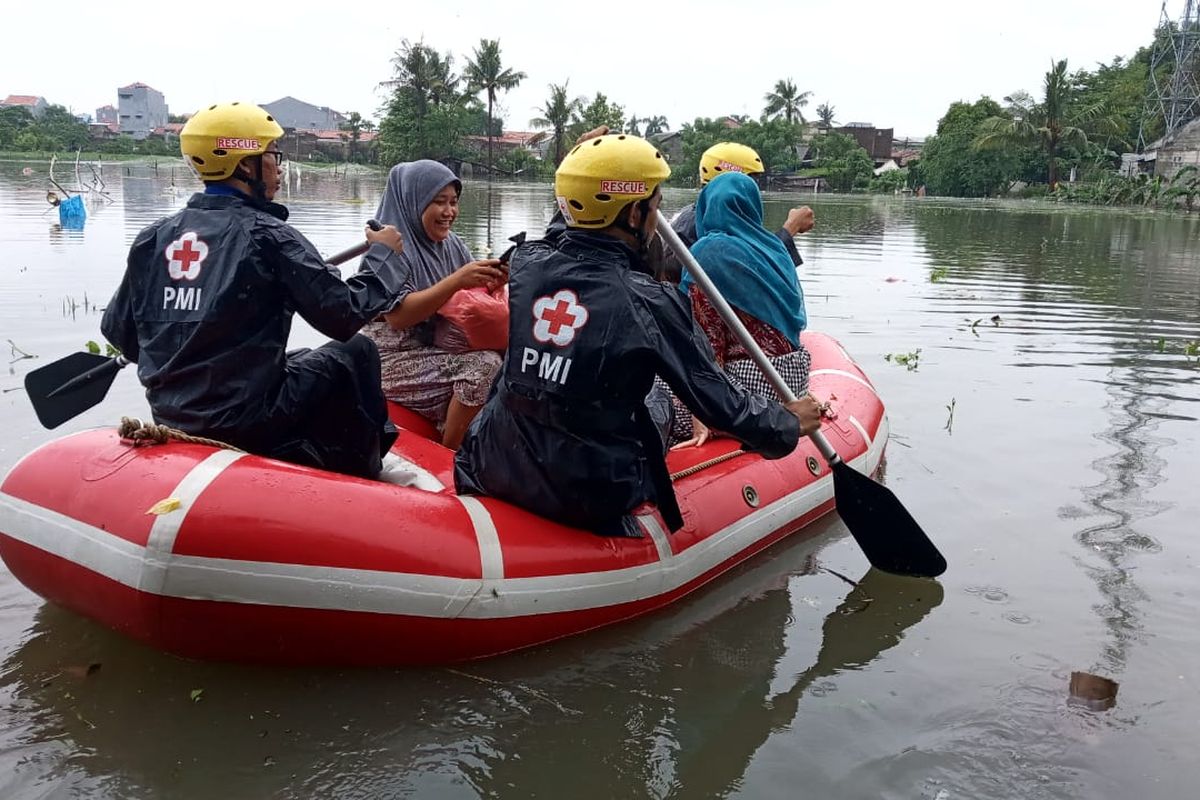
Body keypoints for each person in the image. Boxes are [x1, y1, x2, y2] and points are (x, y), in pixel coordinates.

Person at [454, 134, 821, 537]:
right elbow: (720, 402)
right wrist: (786, 423)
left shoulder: (527, 261)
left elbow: (567, 228)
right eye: (656, 206)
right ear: (633, 215)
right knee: (657, 391)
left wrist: (587, 176)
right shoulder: (650, 301)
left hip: (490, 460)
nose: (657, 215)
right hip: (588, 491)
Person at [100, 102, 407, 479]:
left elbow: (125, 338)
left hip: (171, 415)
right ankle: (365, 475)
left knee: (302, 356)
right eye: (273, 157)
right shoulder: (270, 235)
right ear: (245, 164)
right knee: (356, 351)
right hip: (246, 421)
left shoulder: (153, 238)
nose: (278, 168)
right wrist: (383, 256)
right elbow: (344, 315)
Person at [361, 160, 505, 449]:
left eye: (454, 202)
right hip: (390, 359)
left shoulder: (452, 244)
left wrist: (493, 279)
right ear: (415, 202)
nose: (449, 212)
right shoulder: (387, 248)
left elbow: (468, 296)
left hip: (435, 349)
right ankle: (451, 456)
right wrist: (457, 280)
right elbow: (399, 317)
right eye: (439, 202)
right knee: (483, 366)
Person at [669, 171, 813, 448]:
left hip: (748, 397)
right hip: (792, 382)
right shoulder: (775, 248)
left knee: (654, 386)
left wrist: (702, 413)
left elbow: (706, 344)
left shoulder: (707, 253)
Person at [659, 141, 814, 283]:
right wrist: (790, 228)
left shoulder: (697, 213)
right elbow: (753, 271)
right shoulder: (707, 224)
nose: (754, 190)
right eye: (750, 181)